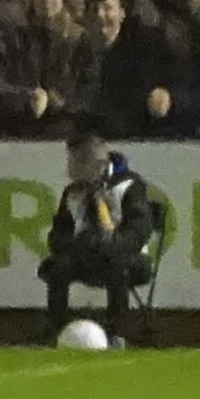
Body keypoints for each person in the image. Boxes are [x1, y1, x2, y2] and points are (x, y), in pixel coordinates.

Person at [39, 137, 157, 333]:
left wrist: (108, 245)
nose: (70, 169)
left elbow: (139, 232)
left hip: (126, 254)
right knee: (58, 267)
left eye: (75, 163)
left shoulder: (129, 186)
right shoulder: (72, 192)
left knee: (117, 267)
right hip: (85, 252)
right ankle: (56, 327)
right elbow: (58, 234)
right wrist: (74, 245)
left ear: (96, 165)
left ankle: (118, 330)